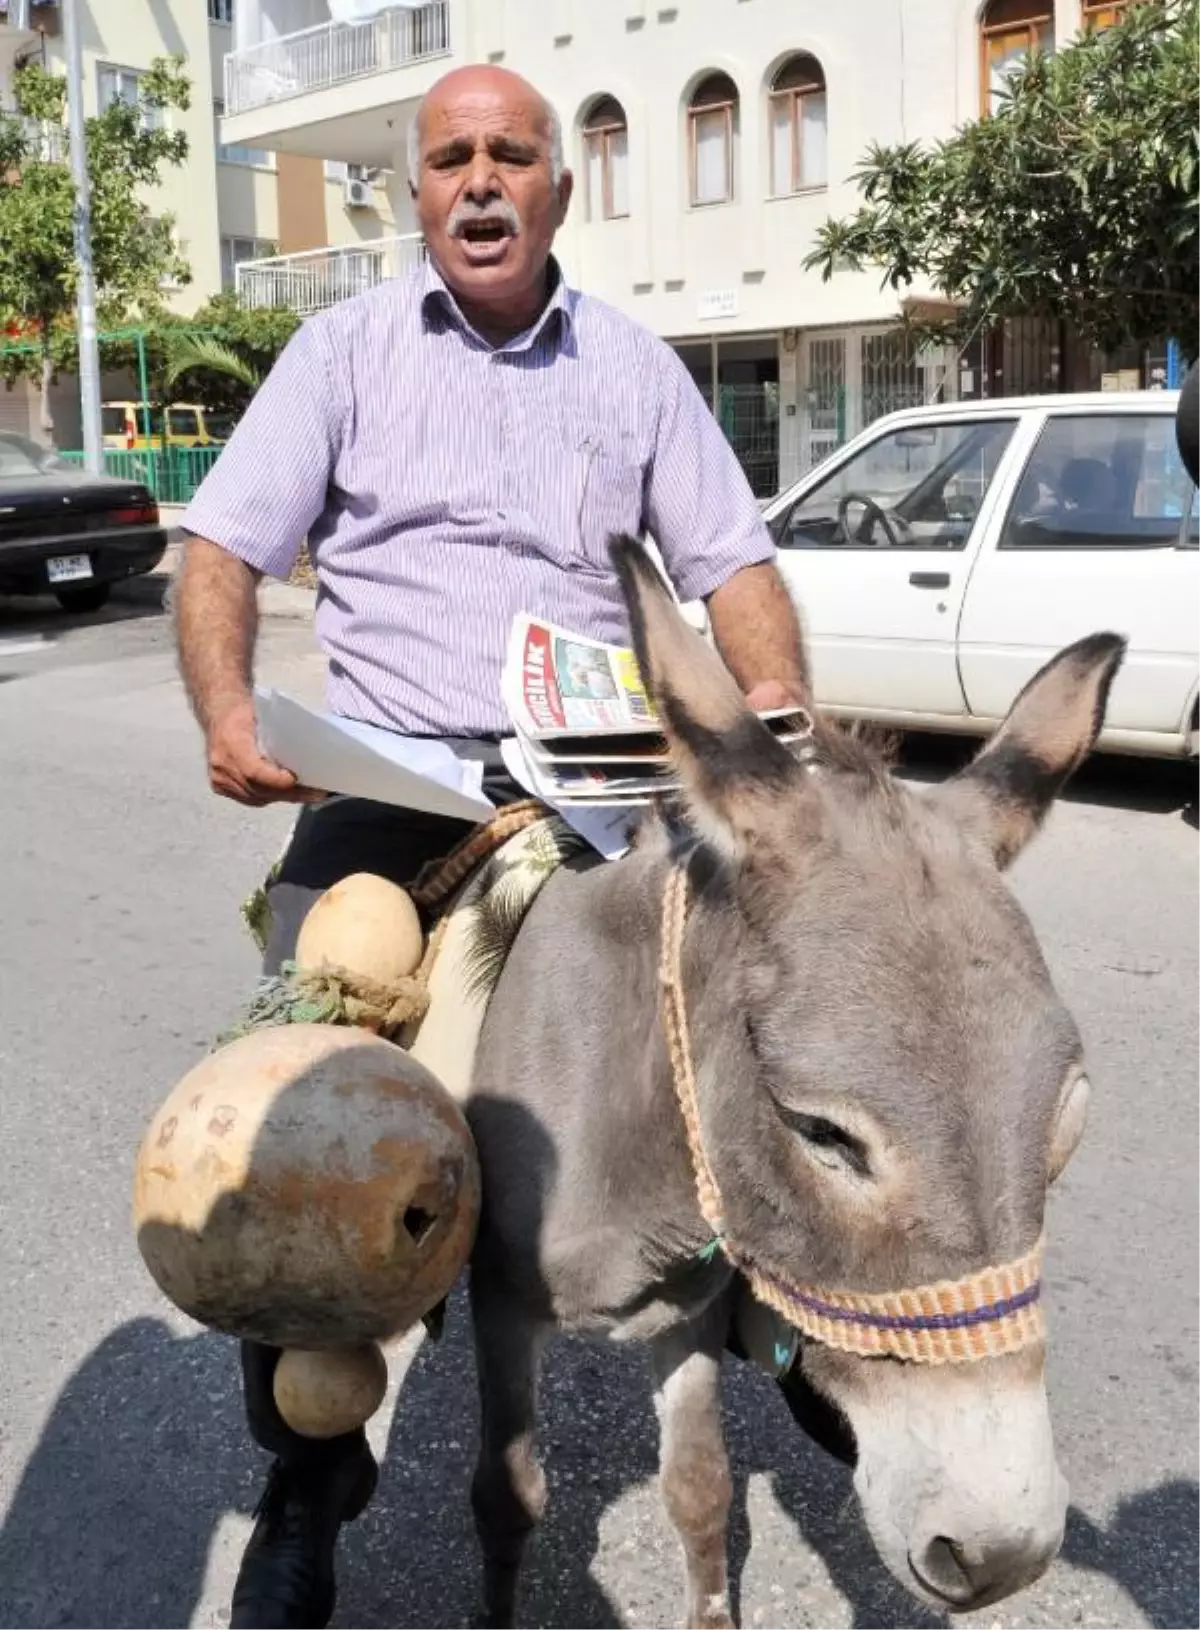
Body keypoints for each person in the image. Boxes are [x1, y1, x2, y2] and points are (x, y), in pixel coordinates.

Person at [176, 63, 808, 1630]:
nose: (476, 181)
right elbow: (220, 548)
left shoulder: (641, 375)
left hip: (597, 788)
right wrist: (224, 711)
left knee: (783, 1006)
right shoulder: (342, 353)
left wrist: (775, 690)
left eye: (508, 154)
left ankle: (796, 1327)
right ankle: (311, 1477)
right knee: (297, 1105)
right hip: (393, 784)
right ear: (415, 192)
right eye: (449, 156)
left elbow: (733, 563)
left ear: (556, 188)